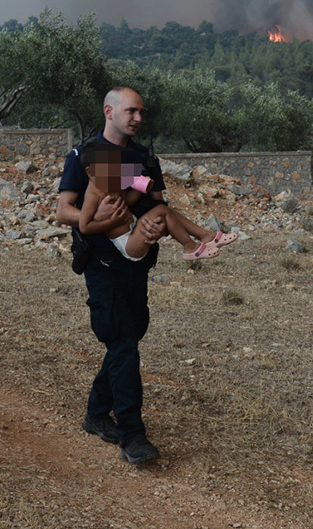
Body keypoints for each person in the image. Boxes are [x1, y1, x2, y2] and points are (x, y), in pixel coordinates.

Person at [54, 86, 174, 464]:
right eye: (131, 111)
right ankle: (132, 435)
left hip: (137, 263)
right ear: (109, 111)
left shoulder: (144, 159)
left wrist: (158, 228)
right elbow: (63, 210)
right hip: (101, 266)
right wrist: (97, 221)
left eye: (141, 112)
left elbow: (160, 207)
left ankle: (95, 413)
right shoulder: (85, 156)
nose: (138, 118)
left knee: (130, 337)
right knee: (123, 343)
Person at [77, 140, 224, 261]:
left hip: (135, 229)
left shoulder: (111, 184)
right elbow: (84, 226)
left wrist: (140, 189)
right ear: (90, 172)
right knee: (162, 210)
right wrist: (111, 223)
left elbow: (127, 201)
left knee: (167, 212)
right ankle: (190, 247)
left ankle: (206, 236)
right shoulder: (93, 194)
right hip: (128, 243)